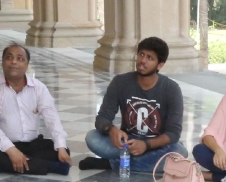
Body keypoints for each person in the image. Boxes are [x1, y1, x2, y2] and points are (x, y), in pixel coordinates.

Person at [80, 37, 186, 172]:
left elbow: (173, 133)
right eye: (141, 54)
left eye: (150, 58)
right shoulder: (120, 82)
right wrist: (111, 130)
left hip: (155, 144)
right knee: (92, 138)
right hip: (127, 143)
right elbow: (102, 118)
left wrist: (146, 145)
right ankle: (145, 161)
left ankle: (111, 164)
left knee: (179, 151)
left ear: (160, 65)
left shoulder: (171, 89)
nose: (143, 60)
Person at [0, 43, 71, 177]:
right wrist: (12, 151)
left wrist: (61, 147)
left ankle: (9, 166)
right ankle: (53, 167)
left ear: (27, 65)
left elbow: (51, 117)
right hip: (3, 146)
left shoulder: (39, 87)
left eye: (20, 58)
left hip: (33, 145)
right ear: (3, 62)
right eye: (9, 57)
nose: (14, 61)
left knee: (62, 150)